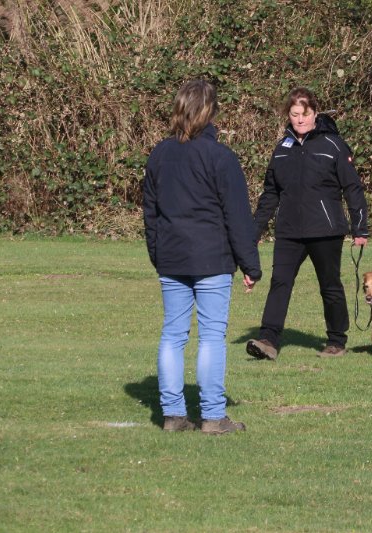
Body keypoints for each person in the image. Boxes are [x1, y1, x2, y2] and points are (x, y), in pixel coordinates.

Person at [143, 80, 262, 435]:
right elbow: (237, 216)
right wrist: (250, 264)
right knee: (211, 336)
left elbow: (150, 214)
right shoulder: (220, 157)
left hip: (173, 258)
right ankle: (212, 416)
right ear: (210, 112)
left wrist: (158, 254)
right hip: (211, 259)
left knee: (173, 335)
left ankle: (173, 415)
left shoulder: (159, 154)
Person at [246, 86, 368, 361]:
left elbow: (352, 188)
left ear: (315, 113)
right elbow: (270, 193)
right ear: (288, 115)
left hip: (325, 230)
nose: (300, 120)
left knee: (330, 285)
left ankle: (336, 340)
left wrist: (360, 227)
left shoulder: (333, 145)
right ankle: (268, 340)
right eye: (294, 114)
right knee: (280, 282)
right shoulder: (281, 149)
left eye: (305, 114)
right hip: (289, 230)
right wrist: (255, 230)